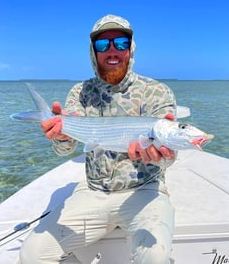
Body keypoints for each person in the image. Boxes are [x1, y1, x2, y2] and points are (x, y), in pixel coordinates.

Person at [20, 14, 177, 264]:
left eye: (121, 43)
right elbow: (65, 149)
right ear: (93, 52)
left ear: (131, 48)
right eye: (103, 45)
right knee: (33, 254)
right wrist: (61, 135)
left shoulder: (157, 91)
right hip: (93, 191)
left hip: (144, 191)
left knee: (155, 256)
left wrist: (163, 154)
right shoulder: (80, 92)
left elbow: (170, 151)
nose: (112, 51)